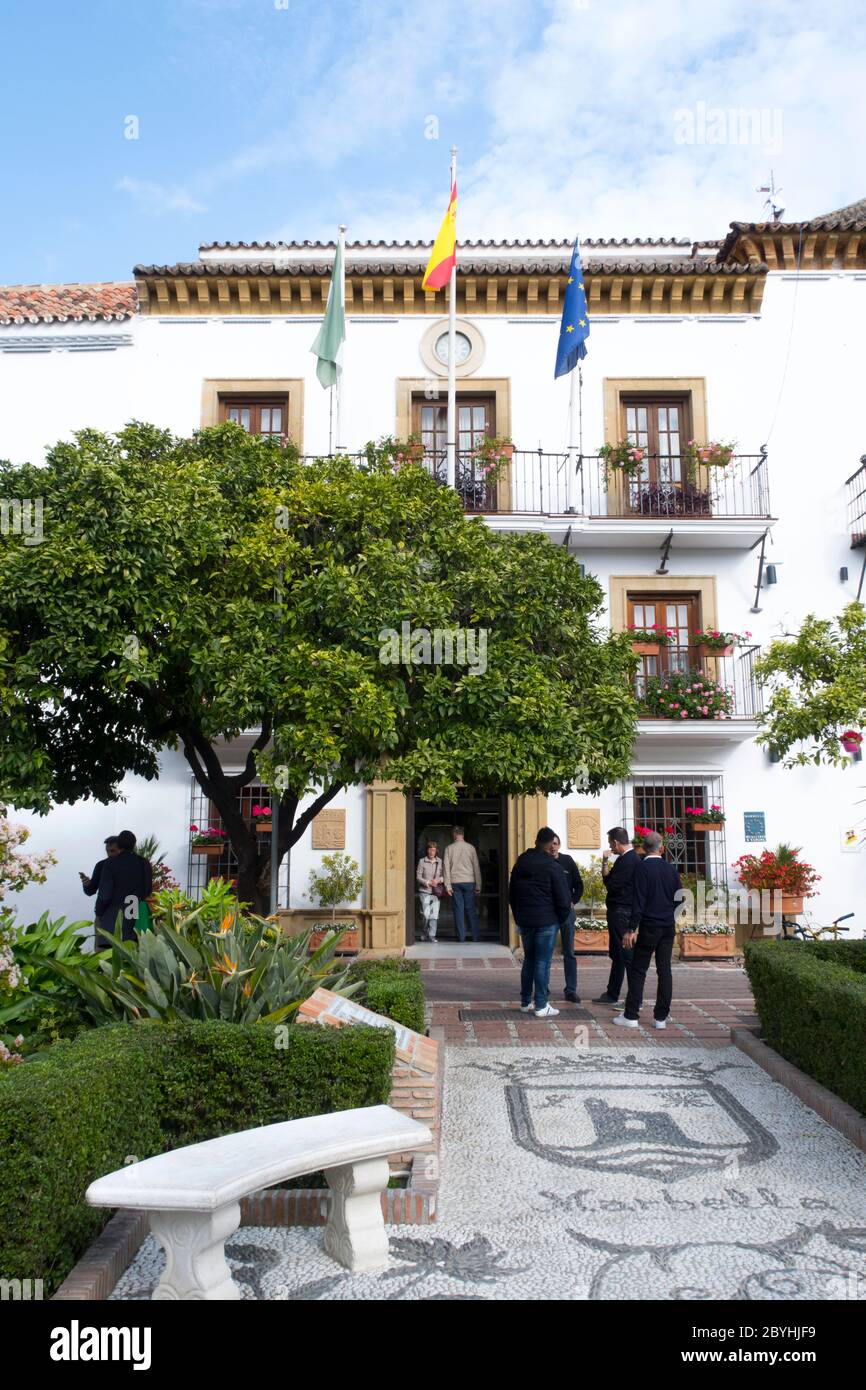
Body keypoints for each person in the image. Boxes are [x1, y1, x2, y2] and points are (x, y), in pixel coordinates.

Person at [612, 830, 682, 1031]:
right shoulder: (671, 870)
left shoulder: (642, 869)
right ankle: (661, 1017)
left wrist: (631, 928)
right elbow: (680, 898)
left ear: (643, 848)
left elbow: (639, 901)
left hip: (649, 925)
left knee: (638, 969)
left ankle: (631, 1014)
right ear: (662, 848)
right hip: (667, 926)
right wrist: (669, 915)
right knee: (664, 969)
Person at [508, 826, 572, 1018]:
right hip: (547, 921)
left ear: (536, 841)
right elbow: (563, 898)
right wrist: (559, 919)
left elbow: (512, 893)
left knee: (529, 960)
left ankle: (526, 1001)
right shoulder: (552, 865)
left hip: (526, 920)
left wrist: (518, 917)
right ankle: (542, 1005)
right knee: (542, 962)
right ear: (550, 843)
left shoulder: (521, 862)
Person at [594, 826, 638, 1005]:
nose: (610, 847)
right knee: (618, 954)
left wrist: (607, 870)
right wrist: (604, 861)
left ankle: (634, 997)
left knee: (626, 954)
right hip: (617, 911)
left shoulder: (629, 860)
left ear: (617, 842)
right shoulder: (623, 859)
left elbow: (611, 885)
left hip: (622, 912)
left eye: (611, 843)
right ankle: (612, 994)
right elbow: (607, 880)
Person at [94, 829, 153, 945]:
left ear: (119, 845)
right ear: (134, 844)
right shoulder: (143, 863)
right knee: (134, 955)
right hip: (135, 916)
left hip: (112, 917)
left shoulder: (110, 864)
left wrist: (99, 912)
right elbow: (147, 890)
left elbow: (105, 894)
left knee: (110, 957)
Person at [551, 834, 584, 1003]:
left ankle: (571, 990)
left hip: (566, 913)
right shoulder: (543, 862)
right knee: (545, 952)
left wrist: (573, 901)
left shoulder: (567, 861)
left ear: (560, 844)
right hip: (548, 914)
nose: (553, 847)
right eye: (551, 843)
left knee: (569, 952)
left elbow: (579, 884)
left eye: (556, 843)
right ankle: (544, 987)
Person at [443, 825, 482, 943]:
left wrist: (447, 885)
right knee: (471, 909)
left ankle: (461, 937)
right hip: (469, 881)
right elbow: (476, 867)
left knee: (458, 910)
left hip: (455, 882)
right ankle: (475, 936)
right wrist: (478, 884)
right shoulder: (471, 848)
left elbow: (446, 867)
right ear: (463, 835)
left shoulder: (449, 848)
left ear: (454, 835)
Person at [416, 840, 444, 943]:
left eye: (433, 850)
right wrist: (428, 882)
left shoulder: (440, 861)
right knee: (425, 914)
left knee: (434, 914)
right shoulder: (422, 861)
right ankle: (424, 933)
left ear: (436, 851)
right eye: (430, 850)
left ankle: (432, 935)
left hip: (436, 892)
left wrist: (438, 880)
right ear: (427, 850)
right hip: (425, 891)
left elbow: (444, 876)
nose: (432, 852)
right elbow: (418, 877)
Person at [79, 836, 120, 901]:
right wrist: (87, 884)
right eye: (107, 851)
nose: (109, 854)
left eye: (112, 851)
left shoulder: (132, 864)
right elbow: (90, 891)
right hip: (106, 907)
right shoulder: (101, 865)